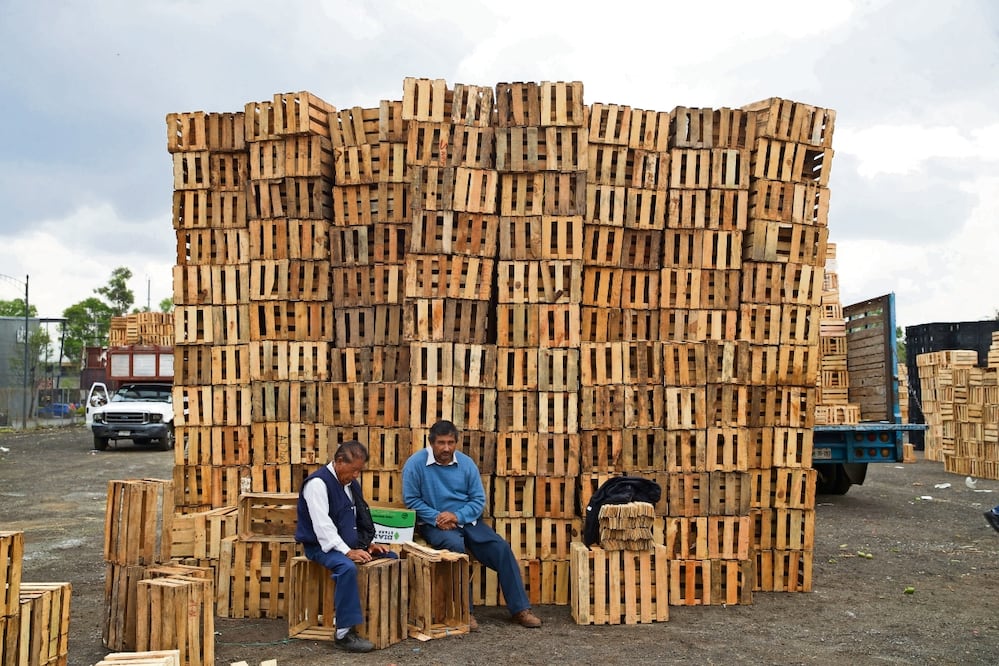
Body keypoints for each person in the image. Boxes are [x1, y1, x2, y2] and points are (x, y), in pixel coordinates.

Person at [402, 420, 542, 630]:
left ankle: (520, 609)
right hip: (435, 523)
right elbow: (411, 499)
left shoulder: (466, 464)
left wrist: (457, 516)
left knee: (501, 549)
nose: (446, 448)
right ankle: (466, 612)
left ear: (456, 443)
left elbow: (478, 500)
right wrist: (438, 517)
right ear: (431, 442)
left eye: (451, 442)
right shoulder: (415, 464)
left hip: (466, 520)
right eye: (441, 443)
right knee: (456, 550)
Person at [296, 440, 395, 653]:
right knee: (346, 568)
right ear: (339, 462)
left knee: (392, 556)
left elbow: (358, 517)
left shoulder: (351, 484)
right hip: (320, 547)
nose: (356, 475)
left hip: (348, 545)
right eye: (354, 470)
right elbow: (323, 527)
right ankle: (344, 633)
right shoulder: (317, 484)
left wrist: (368, 544)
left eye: (360, 470)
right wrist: (348, 551)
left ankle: (378, 617)